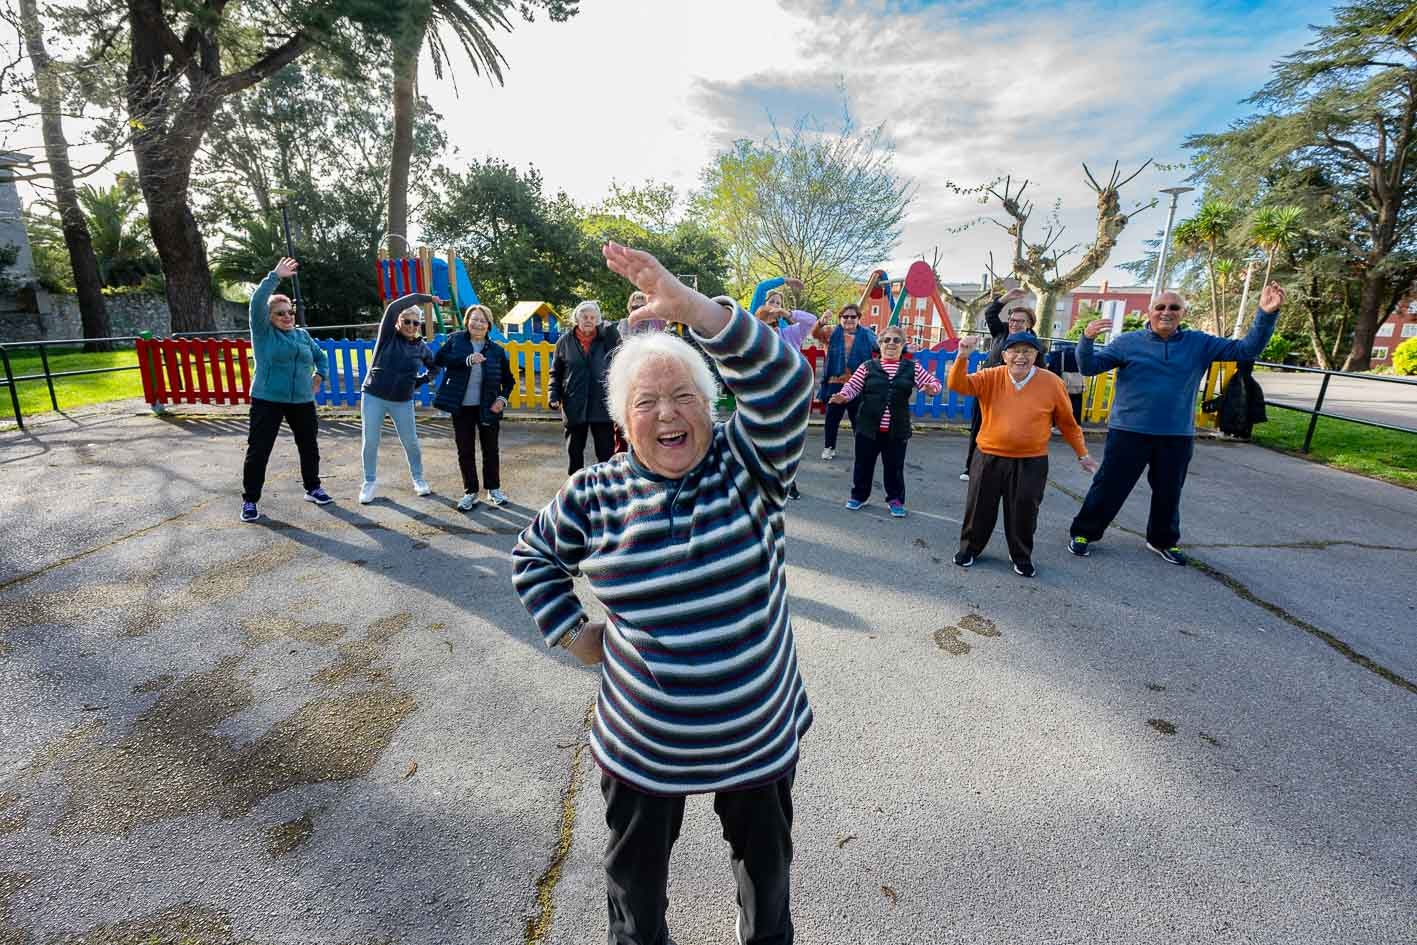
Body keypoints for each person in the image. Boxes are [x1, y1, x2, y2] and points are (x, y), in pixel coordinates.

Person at [512, 242, 814, 945]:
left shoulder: (747, 466)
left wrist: (694, 311)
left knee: (766, 884)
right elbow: (532, 555)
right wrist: (574, 632)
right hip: (644, 746)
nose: (667, 412)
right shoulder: (593, 491)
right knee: (635, 897)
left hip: (756, 737)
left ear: (710, 408)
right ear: (623, 422)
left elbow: (785, 382)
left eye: (684, 396)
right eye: (647, 401)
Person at [1067, 283, 1285, 565]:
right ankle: (1084, 532)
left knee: (1169, 491)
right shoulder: (1127, 342)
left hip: (1175, 434)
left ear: (1183, 313)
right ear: (1150, 311)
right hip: (1129, 431)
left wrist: (1266, 314)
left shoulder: (1199, 343)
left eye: (1173, 307)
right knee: (1109, 486)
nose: (1166, 312)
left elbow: (1246, 350)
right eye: (1160, 307)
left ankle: (1162, 540)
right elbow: (1089, 367)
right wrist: (1086, 340)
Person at [948, 332, 1098, 577]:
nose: (1021, 356)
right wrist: (962, 356)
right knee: (979, 508)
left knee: (1025, 510)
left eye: (1027, 351)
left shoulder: (1051, 382)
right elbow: (958, 385)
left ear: (1036, 355)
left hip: (1032, 460)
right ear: (1005, 355)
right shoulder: (991, 376)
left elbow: (1068, 423)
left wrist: (1082, 454)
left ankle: (1020, 555)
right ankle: (970, 549)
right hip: (988, 456)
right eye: (1015, 351)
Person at [239, 256, 332, 522]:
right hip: (267, 399)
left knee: (309, 446)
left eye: (290, 312)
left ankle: (313, 487)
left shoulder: (302, 335)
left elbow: (321, 357)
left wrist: (320, 375)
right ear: (269, 317)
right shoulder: (263, 332)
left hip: (302, 400)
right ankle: (250, 501)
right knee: (259, 450)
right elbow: (257, 301)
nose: (287, 316)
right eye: (280, 313)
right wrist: (274, 276)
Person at [828, 324, 942, 518]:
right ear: (879, 344)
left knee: (894, 466)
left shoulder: (912, 367)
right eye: (886, 340)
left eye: (896, 340)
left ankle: (895, 499)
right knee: (863, 464)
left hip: (897, 429)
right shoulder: (867, 367)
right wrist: (843, 396)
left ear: (903, 345)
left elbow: (934, 383)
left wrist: (932, 388)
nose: (891, 343)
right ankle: (859, 495)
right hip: (868, 427)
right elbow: (852, 386)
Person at [359, 288, 440, 504]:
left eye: (416, 323)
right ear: (397, 322)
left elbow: (434, 368)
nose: (411, 326)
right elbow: (395, 306)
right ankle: (369, 482)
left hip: (402, 401)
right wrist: (427, 299)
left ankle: (418, 479)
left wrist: (420, 381)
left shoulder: (421, 347)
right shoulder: (387, 336)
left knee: (410, 442)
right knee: (371, 441)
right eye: (407, 321)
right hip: (374, 395)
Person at [433, 304, 515, 510]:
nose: (477, 323)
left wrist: (502, 399)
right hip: (461, 407)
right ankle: (470, 492)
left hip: (488, 408)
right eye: (474, 319)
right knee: (465, 450)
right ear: (467, 321)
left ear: (488, 326)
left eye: (482, 320)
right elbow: (439, 359)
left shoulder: (496, 350)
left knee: (491, 450)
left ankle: (493, 489)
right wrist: (466, 360)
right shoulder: (456, 341)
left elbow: (510, 381)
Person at [962, 287, 1034, 480]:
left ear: (1029, 324)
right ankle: (971, 467)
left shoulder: (1032, 344)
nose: (1014, 323)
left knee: (1002, 429)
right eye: (1012, 319)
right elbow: (990, 313)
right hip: (987, 386)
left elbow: (1037, 370)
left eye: (1020, 321)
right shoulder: (1001, 332)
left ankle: (999, 469)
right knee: (978, 425)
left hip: (1011, 392)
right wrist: (1005, 298)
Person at [754, 293, 816, 500]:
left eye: (779, 303)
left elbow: (811, 321)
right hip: (762, 393)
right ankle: (763, 481)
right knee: (763, 439)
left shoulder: (790, 334)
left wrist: (788, 313)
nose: (775, 306)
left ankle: (789, 482)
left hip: (788, 394)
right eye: (772, 302)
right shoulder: (755, 333)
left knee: (788, 441)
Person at [550, 300, 622, 475]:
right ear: (577, 318)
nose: (588, 320)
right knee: (574, 452)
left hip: (602, 404)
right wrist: (553, 395)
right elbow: (556, 372)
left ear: (598, 319)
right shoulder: (564, 342)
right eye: (584, 316)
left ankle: (606, 487)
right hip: (574, 402)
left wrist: (610, 330)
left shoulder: (607, 338)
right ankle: (575, 487)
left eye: (592, 317)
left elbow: (620, 356)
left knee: (605, 453)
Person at [811, 303, 877, 460]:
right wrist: (821, 321)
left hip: (858, 383)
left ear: (858, 318)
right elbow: (815, 334)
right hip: (836, 382)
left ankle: (861, 449)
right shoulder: (831, 332)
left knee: (858, 419)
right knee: (832, 418)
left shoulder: (867, 334)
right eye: (845, 316)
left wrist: (905, 348)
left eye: (852, 316)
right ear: (840, 318)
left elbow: (881, 346)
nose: (848, 319)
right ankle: (829, 447)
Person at [1046, 340, 1086, 424]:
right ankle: (1075, 423)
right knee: (1076, 404)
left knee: (1056, 403)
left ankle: (1054, 423)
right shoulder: (1079, 356)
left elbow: (1050, 368)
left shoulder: (1056, 355)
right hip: (1076, 384)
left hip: (1060, 383)